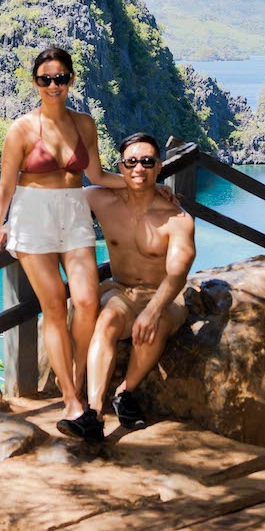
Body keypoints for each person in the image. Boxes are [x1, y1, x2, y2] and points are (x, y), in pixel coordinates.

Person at [0, 47, 132, 439]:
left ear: (71, 80)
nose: (53, 86)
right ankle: (73, 402)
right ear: (35, 83)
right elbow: (4, 187)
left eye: (60, 78)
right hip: (32, 217)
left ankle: (77, 384)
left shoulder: (84, 124)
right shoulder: (21, 129)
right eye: (45, 79)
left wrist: (146, 185)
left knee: (87, 301)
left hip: (73, 213)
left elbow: (98, 177)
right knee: (54, 304)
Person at [82, 132, 195, 442]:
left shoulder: (176, 218)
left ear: (159, 166)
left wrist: (153, 310)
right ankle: (93, 413)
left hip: (164, 295)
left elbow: (178, 273)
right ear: (120, 167)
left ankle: (125, 392)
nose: (139, 168)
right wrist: (12, 225)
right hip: (121, 290)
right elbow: (54, 204)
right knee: (107, 320)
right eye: (131, 162)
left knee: (153, 327)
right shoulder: (101, 200)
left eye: (147, 162)